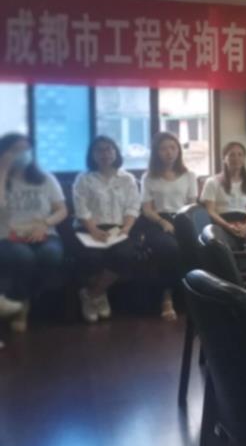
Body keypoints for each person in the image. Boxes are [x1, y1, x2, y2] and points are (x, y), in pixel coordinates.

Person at [72, 136, 145, 323]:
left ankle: (93, 294)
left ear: (115, 152)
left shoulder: (128, 179)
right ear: (92, 154)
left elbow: (133, 207)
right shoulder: (84, 179)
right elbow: (81, 209)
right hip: (89, 229)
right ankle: (100, 295)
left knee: (125, 255)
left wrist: (126, 228)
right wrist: (93, 230)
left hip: (120, 229)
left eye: (109, 149)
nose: (105, 154)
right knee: (92, 257)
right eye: (99, 150)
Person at [0, 133, 68, 332]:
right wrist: (3, 171)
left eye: (26, 150)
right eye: (16, 150)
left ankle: (21, 300)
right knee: (24, 257)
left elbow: (62, 210)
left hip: (43, 232)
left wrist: (45, 224)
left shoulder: (45, 178)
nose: (22, 154)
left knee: (50, 255)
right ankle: (23, 307)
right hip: (8, 235)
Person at [139, 131, 199, 320]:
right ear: (156, 152)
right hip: (157, 221)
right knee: (170, 248)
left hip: (183, 219)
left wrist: (182, 224)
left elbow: (192, 205)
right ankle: (167, 297)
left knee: (196, 248)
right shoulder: (148, 177)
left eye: (173, 148)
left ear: (178, 150)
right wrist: (163, 222)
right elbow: (147, 209)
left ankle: (193, 297)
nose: (169, 152)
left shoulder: (189, 175)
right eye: (164, 148)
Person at [200, 141, 246, 252]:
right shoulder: (212, 182)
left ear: (244, 158)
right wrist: (228, 226)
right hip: (222, 222)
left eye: (240, 154)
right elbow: (210, 211)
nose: (236, 158)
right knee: (225, 243)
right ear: (224, 158)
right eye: (232, 155)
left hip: (245, 222)